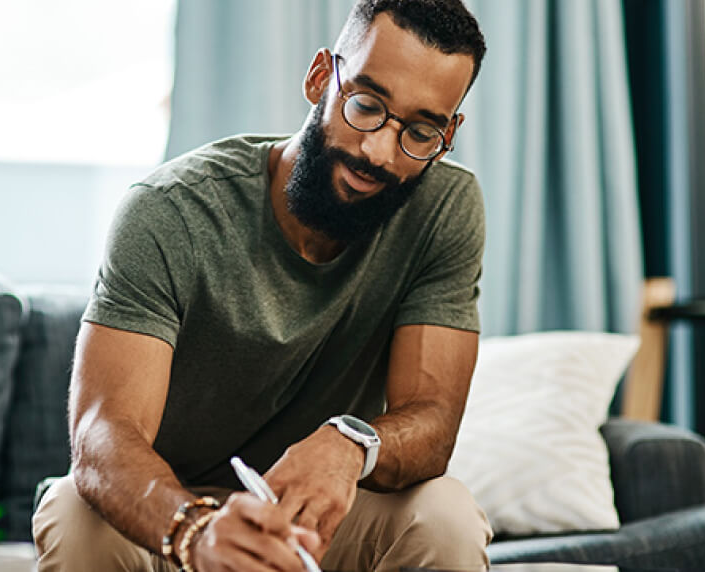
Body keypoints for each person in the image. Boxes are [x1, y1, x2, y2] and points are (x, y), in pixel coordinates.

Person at [33, 0, 492, 570]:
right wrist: (196, 532)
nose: (378, 152)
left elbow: (432, 420)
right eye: (366, 105)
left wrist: (351, 443)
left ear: (449, 131)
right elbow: (105, 434)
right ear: (321, 77)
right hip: (171, 512)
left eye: (420, 132)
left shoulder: (445, 208)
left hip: (317, 518)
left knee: (444, 514)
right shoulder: (169, 213)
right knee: (76, 512)